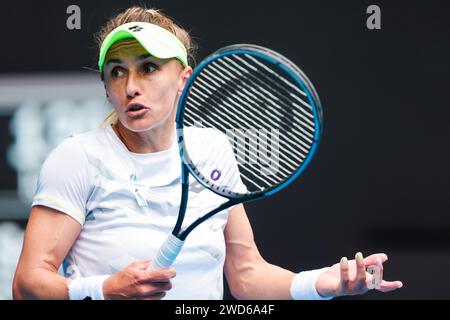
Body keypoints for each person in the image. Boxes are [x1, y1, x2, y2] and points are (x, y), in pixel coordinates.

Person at [12, 6, 403, 300]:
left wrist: (323, 283)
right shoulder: (78, 158)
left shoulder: (211, 149)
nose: (131, 86)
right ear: (106, 86)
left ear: (183, 78)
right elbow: (27, 284)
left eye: (148, 68)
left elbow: (246, 274)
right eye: (117, 71)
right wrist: (103, 290)